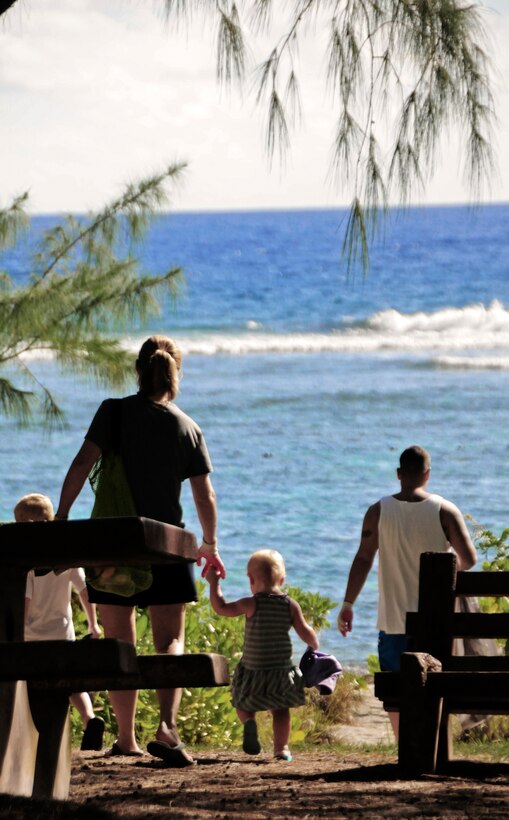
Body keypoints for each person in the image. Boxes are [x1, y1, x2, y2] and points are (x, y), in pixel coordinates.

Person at [55, 335, 224, 766]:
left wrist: (61, 518)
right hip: (167, 546)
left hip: (114, 544)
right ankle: (167, 728)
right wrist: (210, 544)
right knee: (170, 639)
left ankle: (126, 737)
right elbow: (205, 496)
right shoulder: (188, 427)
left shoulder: (112, 412)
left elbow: (80, 464)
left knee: (119, 641)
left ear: (138, 370)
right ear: (176, 374)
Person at [337, 445, 477, 737]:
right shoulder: (445, 510)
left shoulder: (378, 511)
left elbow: (363, 558)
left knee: (395, 689)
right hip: (435, 622)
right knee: (434, 683)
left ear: (399, 474)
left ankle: (404, 746)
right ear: (427, 475)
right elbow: (469, 560)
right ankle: (430, 742)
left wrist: (348, 603)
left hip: (393, 620)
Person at [206, 549, 318, 762]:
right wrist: (314, 645)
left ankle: (249, 722)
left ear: (251, 579)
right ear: (282, 580)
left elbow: (221, 608)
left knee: (241, 704)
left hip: (253, 670)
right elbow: (305, 631)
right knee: (281, 710)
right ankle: (282, 749)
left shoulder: (251, 603)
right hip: (280, 671)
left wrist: (214, 583)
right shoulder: (290, 605)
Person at [14, 492, 105, 752]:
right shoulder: (65, 560)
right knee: (72, 684)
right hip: (63, 635)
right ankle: (90, 719)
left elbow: (26, 602)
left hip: (32, 638)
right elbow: (85, 591)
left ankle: (34, 735)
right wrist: (93, 623)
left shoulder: (28, 564)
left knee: (29, 686)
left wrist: (17, 633)